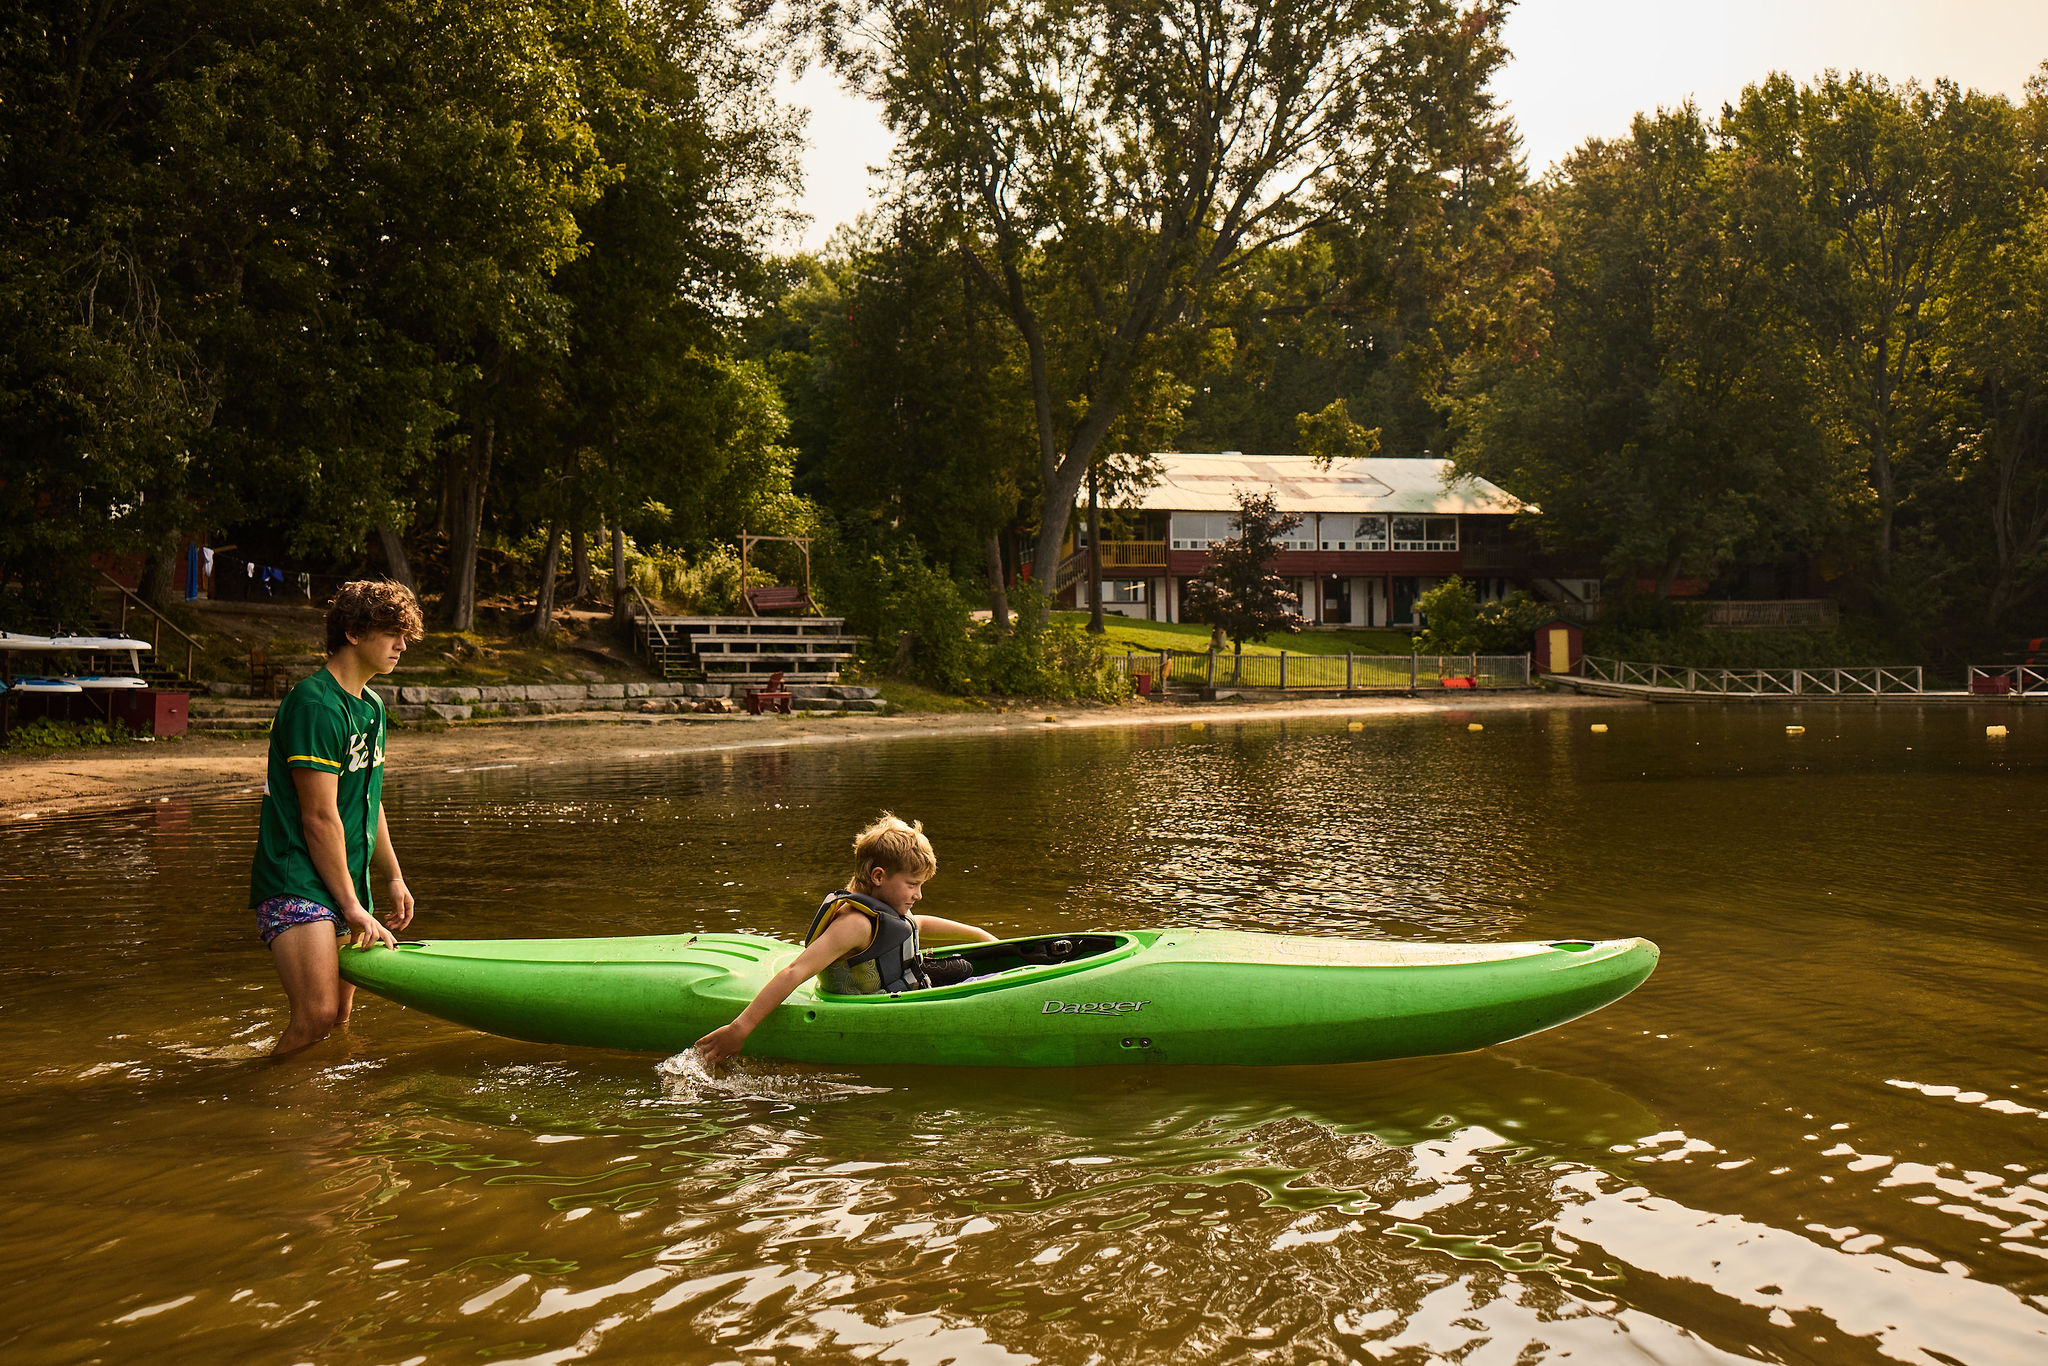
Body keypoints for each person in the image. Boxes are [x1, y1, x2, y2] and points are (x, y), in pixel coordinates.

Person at [249, 579, 425, 1057]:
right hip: (297, 879)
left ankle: (330, 1119)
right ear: (352, 632)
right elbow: (320, 818)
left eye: (404, 635)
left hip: (347, 880)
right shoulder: (315, 704)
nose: (402, 645)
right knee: (317, 1015)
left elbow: (370, 797)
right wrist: (351, 907)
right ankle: (261, 1106)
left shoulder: (371, 707)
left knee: (340, 1019)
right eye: (392, 633)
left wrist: (392, 876)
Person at [694, 814, 996, 1065]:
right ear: (879, 877)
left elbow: (918, 924)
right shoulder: (854, 924)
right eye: (912, 885)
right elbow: (795, 971)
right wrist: (739, 1028)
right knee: (976, 979)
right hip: (878, 1009)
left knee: (965, 968)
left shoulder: (882, 912)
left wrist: (981, 934)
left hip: (905, 987)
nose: (918, 895)